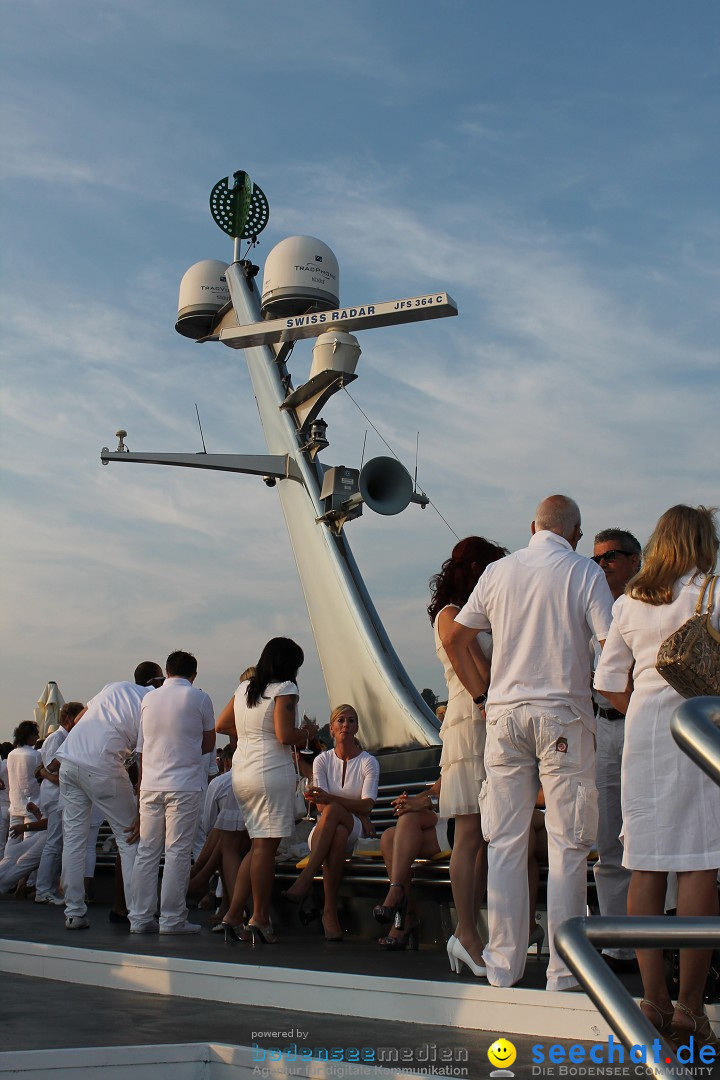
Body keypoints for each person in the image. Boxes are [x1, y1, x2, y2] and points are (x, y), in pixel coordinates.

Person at [446, 495, 613, 991]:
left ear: (532, 526)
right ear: (576, 533)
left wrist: (483, 696)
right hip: (562, 716)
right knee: (566, 845)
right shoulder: (585, 573)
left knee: (504, 843)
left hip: (505, 718)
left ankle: (502, 966)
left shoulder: (498, 573)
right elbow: (610, 645)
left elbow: (457, 638)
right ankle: (564, 972)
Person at [595, 504, 720, 1050]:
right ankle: (691, 1007)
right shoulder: (713, 594)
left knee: (643, 861)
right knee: (699, 864)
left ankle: (653, 1001)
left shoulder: (628, 605)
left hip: (643, 734)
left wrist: (643, 708)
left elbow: (607, 682)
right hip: (700, 729)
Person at [428, 536, 509, 975]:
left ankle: (477, 930)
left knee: (484, 836)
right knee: (470, 833)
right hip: (471, 718)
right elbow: (475, 668)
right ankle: (467, 933)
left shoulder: (477, 614)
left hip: (489, 718)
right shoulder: (452, 615)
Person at [215, 638, 317, 945]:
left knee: (257, 846)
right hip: (270, 773)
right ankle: (259, 917)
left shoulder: (244, 689)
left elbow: (222, 724)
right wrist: (309, 733)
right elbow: (286, 735)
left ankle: (233, 914)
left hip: (242, 772)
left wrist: (250, 736)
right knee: (265, 849)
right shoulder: (285, 690)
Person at [52, 660, 163, 929]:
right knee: (130, 839)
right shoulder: (153, 702)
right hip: (102, 766)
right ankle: (139, 916)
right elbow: (143, 757)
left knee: (75, 841)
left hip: (69, 762)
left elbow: (78, 720)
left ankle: (74, 912)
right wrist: (140, 807)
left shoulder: (113, 687)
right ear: (157, 682)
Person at [129, 651, 216, 935]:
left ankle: (140, 918)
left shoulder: (148, 699)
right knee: (177, 852)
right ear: (194, 674)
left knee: (147, 852)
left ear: (166, 672)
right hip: (184, 784)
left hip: (151, 784)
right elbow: (208, 743)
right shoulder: (200, 698)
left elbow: (141, 750)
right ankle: (171, 918)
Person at [283, 704, 379, 941]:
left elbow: (367, 805)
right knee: (335, 831)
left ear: (357, 728)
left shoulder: (368, 762)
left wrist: (338, 802)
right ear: (332, 728)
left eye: (351, 721)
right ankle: (329, 911)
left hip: (355, 828)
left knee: (335, 812)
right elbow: (322, 807)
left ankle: (307, 879)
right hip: (327, 827)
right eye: (341, 721)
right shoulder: (322, 761)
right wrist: (346, 805)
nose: (346, 725)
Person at [590, 529, 642, 971]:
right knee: (609, 839)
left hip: (644, 729)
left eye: (611, 557)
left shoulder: (650, 605)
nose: (602, 565)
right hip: (603, 728)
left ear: (635, 560)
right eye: (598, 558)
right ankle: (618, 945)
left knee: (650, 836)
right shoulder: (589, 608)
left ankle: (659, 938)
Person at [373, 780, 447, 950]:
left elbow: (463, 795)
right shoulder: (451, 757)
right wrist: (410, 801)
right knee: (388, 838)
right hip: (440, 815)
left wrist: (424, 802)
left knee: (408, 817)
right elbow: (437, 789)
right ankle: (405, 915)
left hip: (461, 820)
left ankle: (396, 894)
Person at [34, 701, 85, 904]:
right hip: (55, 796)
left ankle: (48, 887)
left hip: (58, 795)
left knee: (57, 843)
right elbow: (53, 769)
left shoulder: (63, 737)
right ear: (68, 719)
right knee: (54, 843)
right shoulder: (58, 738)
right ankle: (43, 889)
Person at [5, 722, 41, 853]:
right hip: (33, 803)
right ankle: (28, 873)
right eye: (36, 734)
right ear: (29, 735)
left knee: (12, 840)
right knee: (30, 843)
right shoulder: (35, 755)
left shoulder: (11, 754)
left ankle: (5, 867)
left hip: (15, 802)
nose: (37, 737)